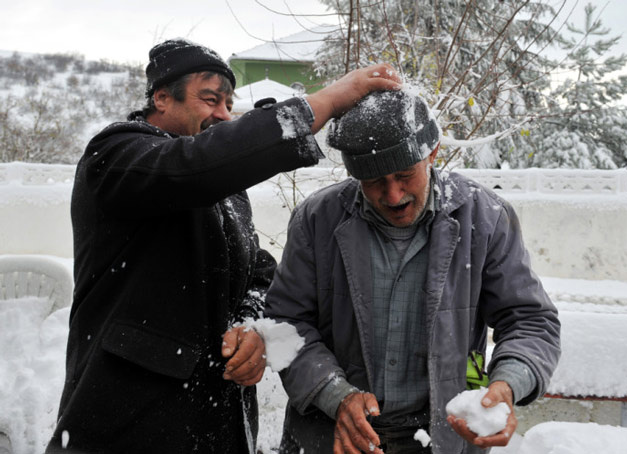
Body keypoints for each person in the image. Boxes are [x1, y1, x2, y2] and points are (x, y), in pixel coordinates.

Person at [45, 38, 401, 454]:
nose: (222, 114)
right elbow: (192, 166)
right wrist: (323, 103)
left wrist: (251, 326)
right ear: (161, 97)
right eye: (210, 99)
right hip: (126, 423)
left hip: (215, 424)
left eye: (228, 103)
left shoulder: (227, 193)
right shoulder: (115, 155)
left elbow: (257, 273)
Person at [264, 90, 561, 454]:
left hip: (443, 437)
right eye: (373, 181)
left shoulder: (486, 218)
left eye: (405, 174)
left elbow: (530, 320)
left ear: (432, 153)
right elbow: (286, 322)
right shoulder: (317, 219)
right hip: (332, 436)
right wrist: (335, 395)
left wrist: (508, 383)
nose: (392, 195)